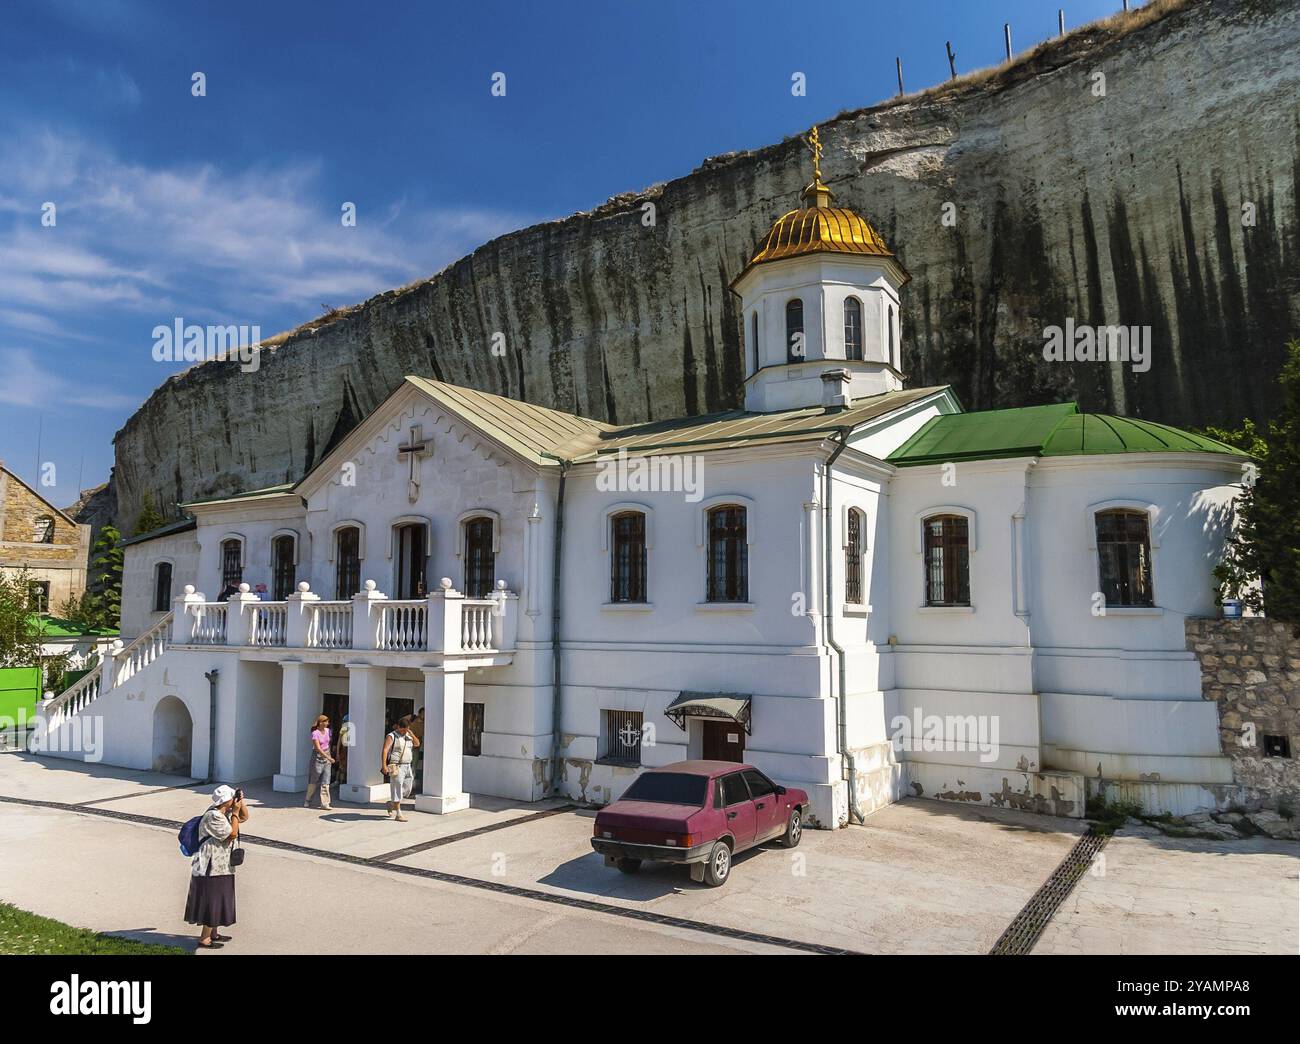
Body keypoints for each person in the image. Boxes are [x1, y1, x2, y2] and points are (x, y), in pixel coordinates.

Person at [184, 784, 248, 949]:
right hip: (210, 866)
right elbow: (232, 833)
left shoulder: (223, 813)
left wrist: (241, 803)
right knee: (211, 899)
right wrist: (234, 811)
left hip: (222, 865)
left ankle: (213, 933)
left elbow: (244, 817)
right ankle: (204, 939)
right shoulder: (213, 816)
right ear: (226, 800)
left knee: (219, 897)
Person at [381, 716, 420, 821]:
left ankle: (392, 803)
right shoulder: (391, 736)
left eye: (406, 729)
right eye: (403, 730)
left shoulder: (408, 735)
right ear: (398, 727)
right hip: (396, 766)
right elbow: (385, 750)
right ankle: (398, 813)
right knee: (397, 788)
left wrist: (411, 734)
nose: (404, 732)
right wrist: (384, 765)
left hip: (407, 765)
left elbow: (417, 744)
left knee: (408, 788)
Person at [305, 714, 334, 810]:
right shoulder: (315, 733)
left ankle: (325, 803)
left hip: (327, 753)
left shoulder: (328, 731)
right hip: (317, 756)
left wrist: (329, 755)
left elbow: (328, 743)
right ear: (320, 722)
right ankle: (308, 800)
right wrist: (328, 757)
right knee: (314, 779)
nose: (327, 723)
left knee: (326, 779)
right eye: (325, 721)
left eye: (328, 722)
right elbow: (318, 748)